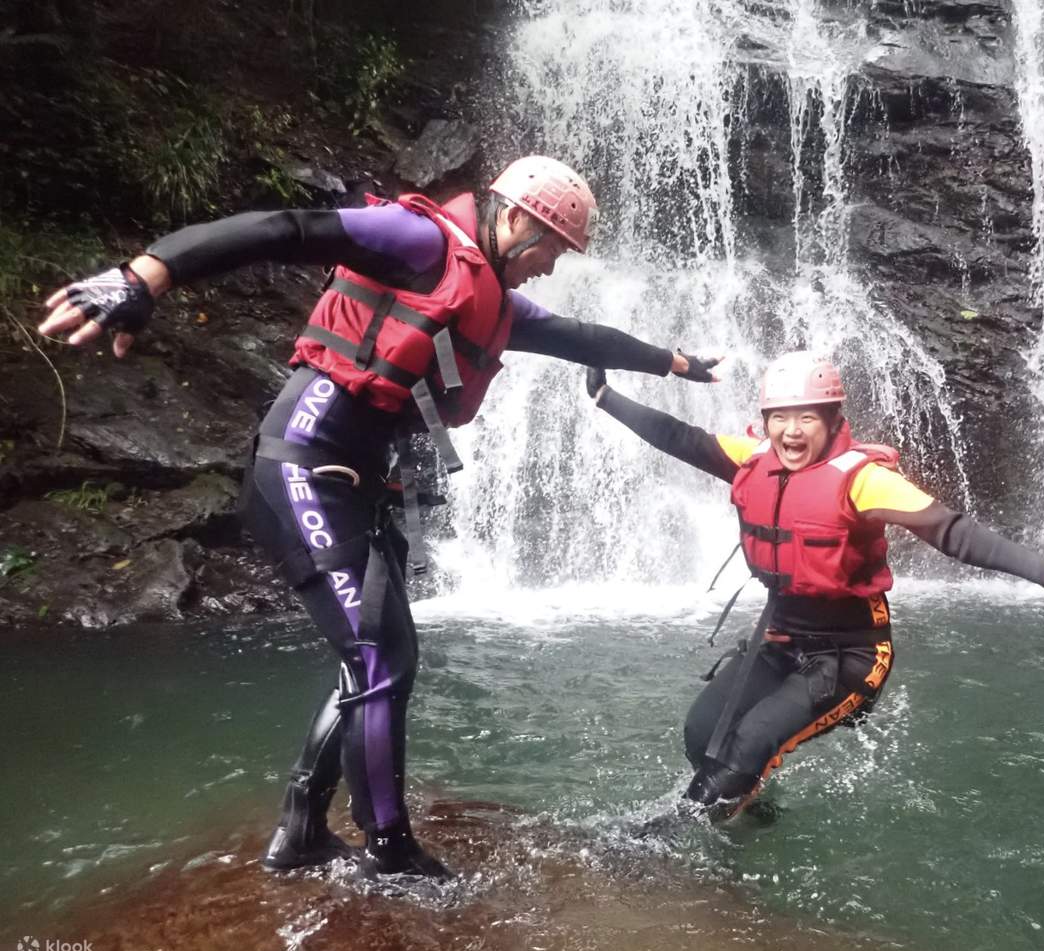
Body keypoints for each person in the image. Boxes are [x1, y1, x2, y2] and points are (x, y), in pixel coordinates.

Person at [38, 156, 721, 879]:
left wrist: (673, 362)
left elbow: (578, 337)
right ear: (518, 218)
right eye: (552, 246)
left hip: (357, 484)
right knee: (379, 659)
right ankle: (388, 852)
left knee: (377, 659)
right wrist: (144, 275)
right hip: (302, 466)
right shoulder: (418, 241)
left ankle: (303, 831)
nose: (551, 265)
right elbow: (283, 228)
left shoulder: (487, 294)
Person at [585, 350, 1044, 817]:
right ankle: (748, 810)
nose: (791, 431)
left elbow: (953, 532)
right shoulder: (753, 460)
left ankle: (664, 844)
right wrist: (606, 395)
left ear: (830, 419)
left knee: (748, 742)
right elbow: (679, 436)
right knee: (702, 734)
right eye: (779, 417)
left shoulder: (862, 481)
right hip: (779, 641)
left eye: (806, 418)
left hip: (850, 653)